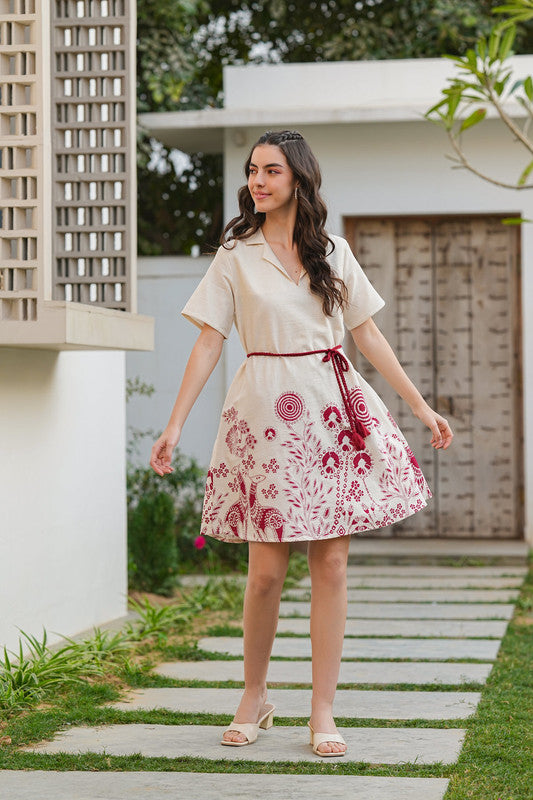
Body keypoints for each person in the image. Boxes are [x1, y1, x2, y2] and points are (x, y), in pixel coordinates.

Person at [150, 129, 453, 757]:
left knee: (332, 566)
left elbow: (366, 335)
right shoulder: (234, 254)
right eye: (253, 170)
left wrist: (420, 405)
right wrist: (175, 423)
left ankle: (322, 709)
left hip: (330, 416)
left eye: (272, 171)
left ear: (299, 181)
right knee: (265, 574)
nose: (258, 181)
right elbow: (209, 340)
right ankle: (254, 696)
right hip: (263, 419)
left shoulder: (332, 252)